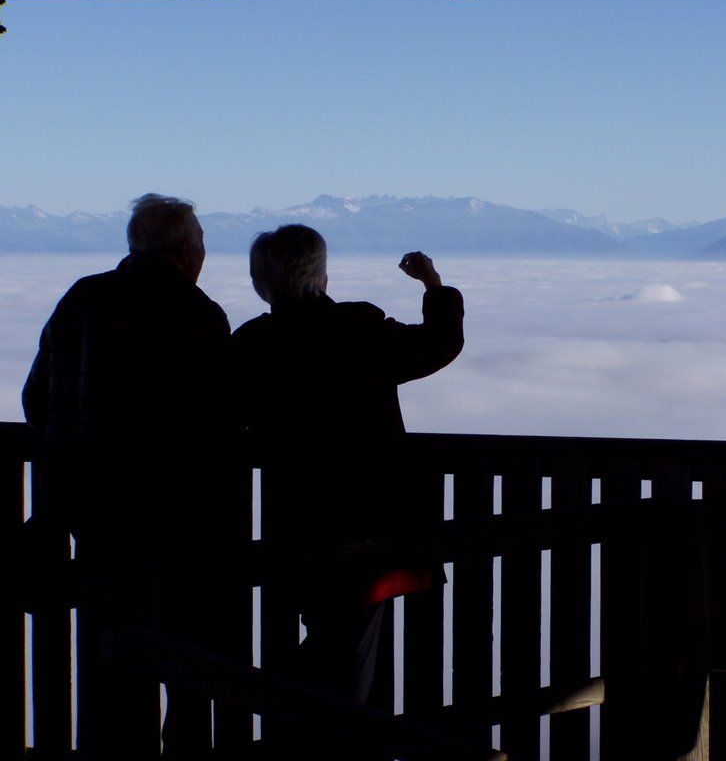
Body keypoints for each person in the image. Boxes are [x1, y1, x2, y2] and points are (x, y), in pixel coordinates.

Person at [23, 193, 236, 760]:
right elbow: (219, 419)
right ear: (188, 251)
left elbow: (37, 397)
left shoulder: (83, 299)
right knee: (188, 670)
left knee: (110, 661)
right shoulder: (199, 315)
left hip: (95, 520)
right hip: (179, 524)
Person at [230, 224, 464, 732]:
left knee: (330, 637)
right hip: (369, 523)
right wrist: (433, 285)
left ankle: (300, 722)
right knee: (351, 648)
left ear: (261, 281)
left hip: (294, 520)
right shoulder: (360, 331)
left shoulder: (251, 346)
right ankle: (344, 738)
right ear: (321, 274)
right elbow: (439, 344)